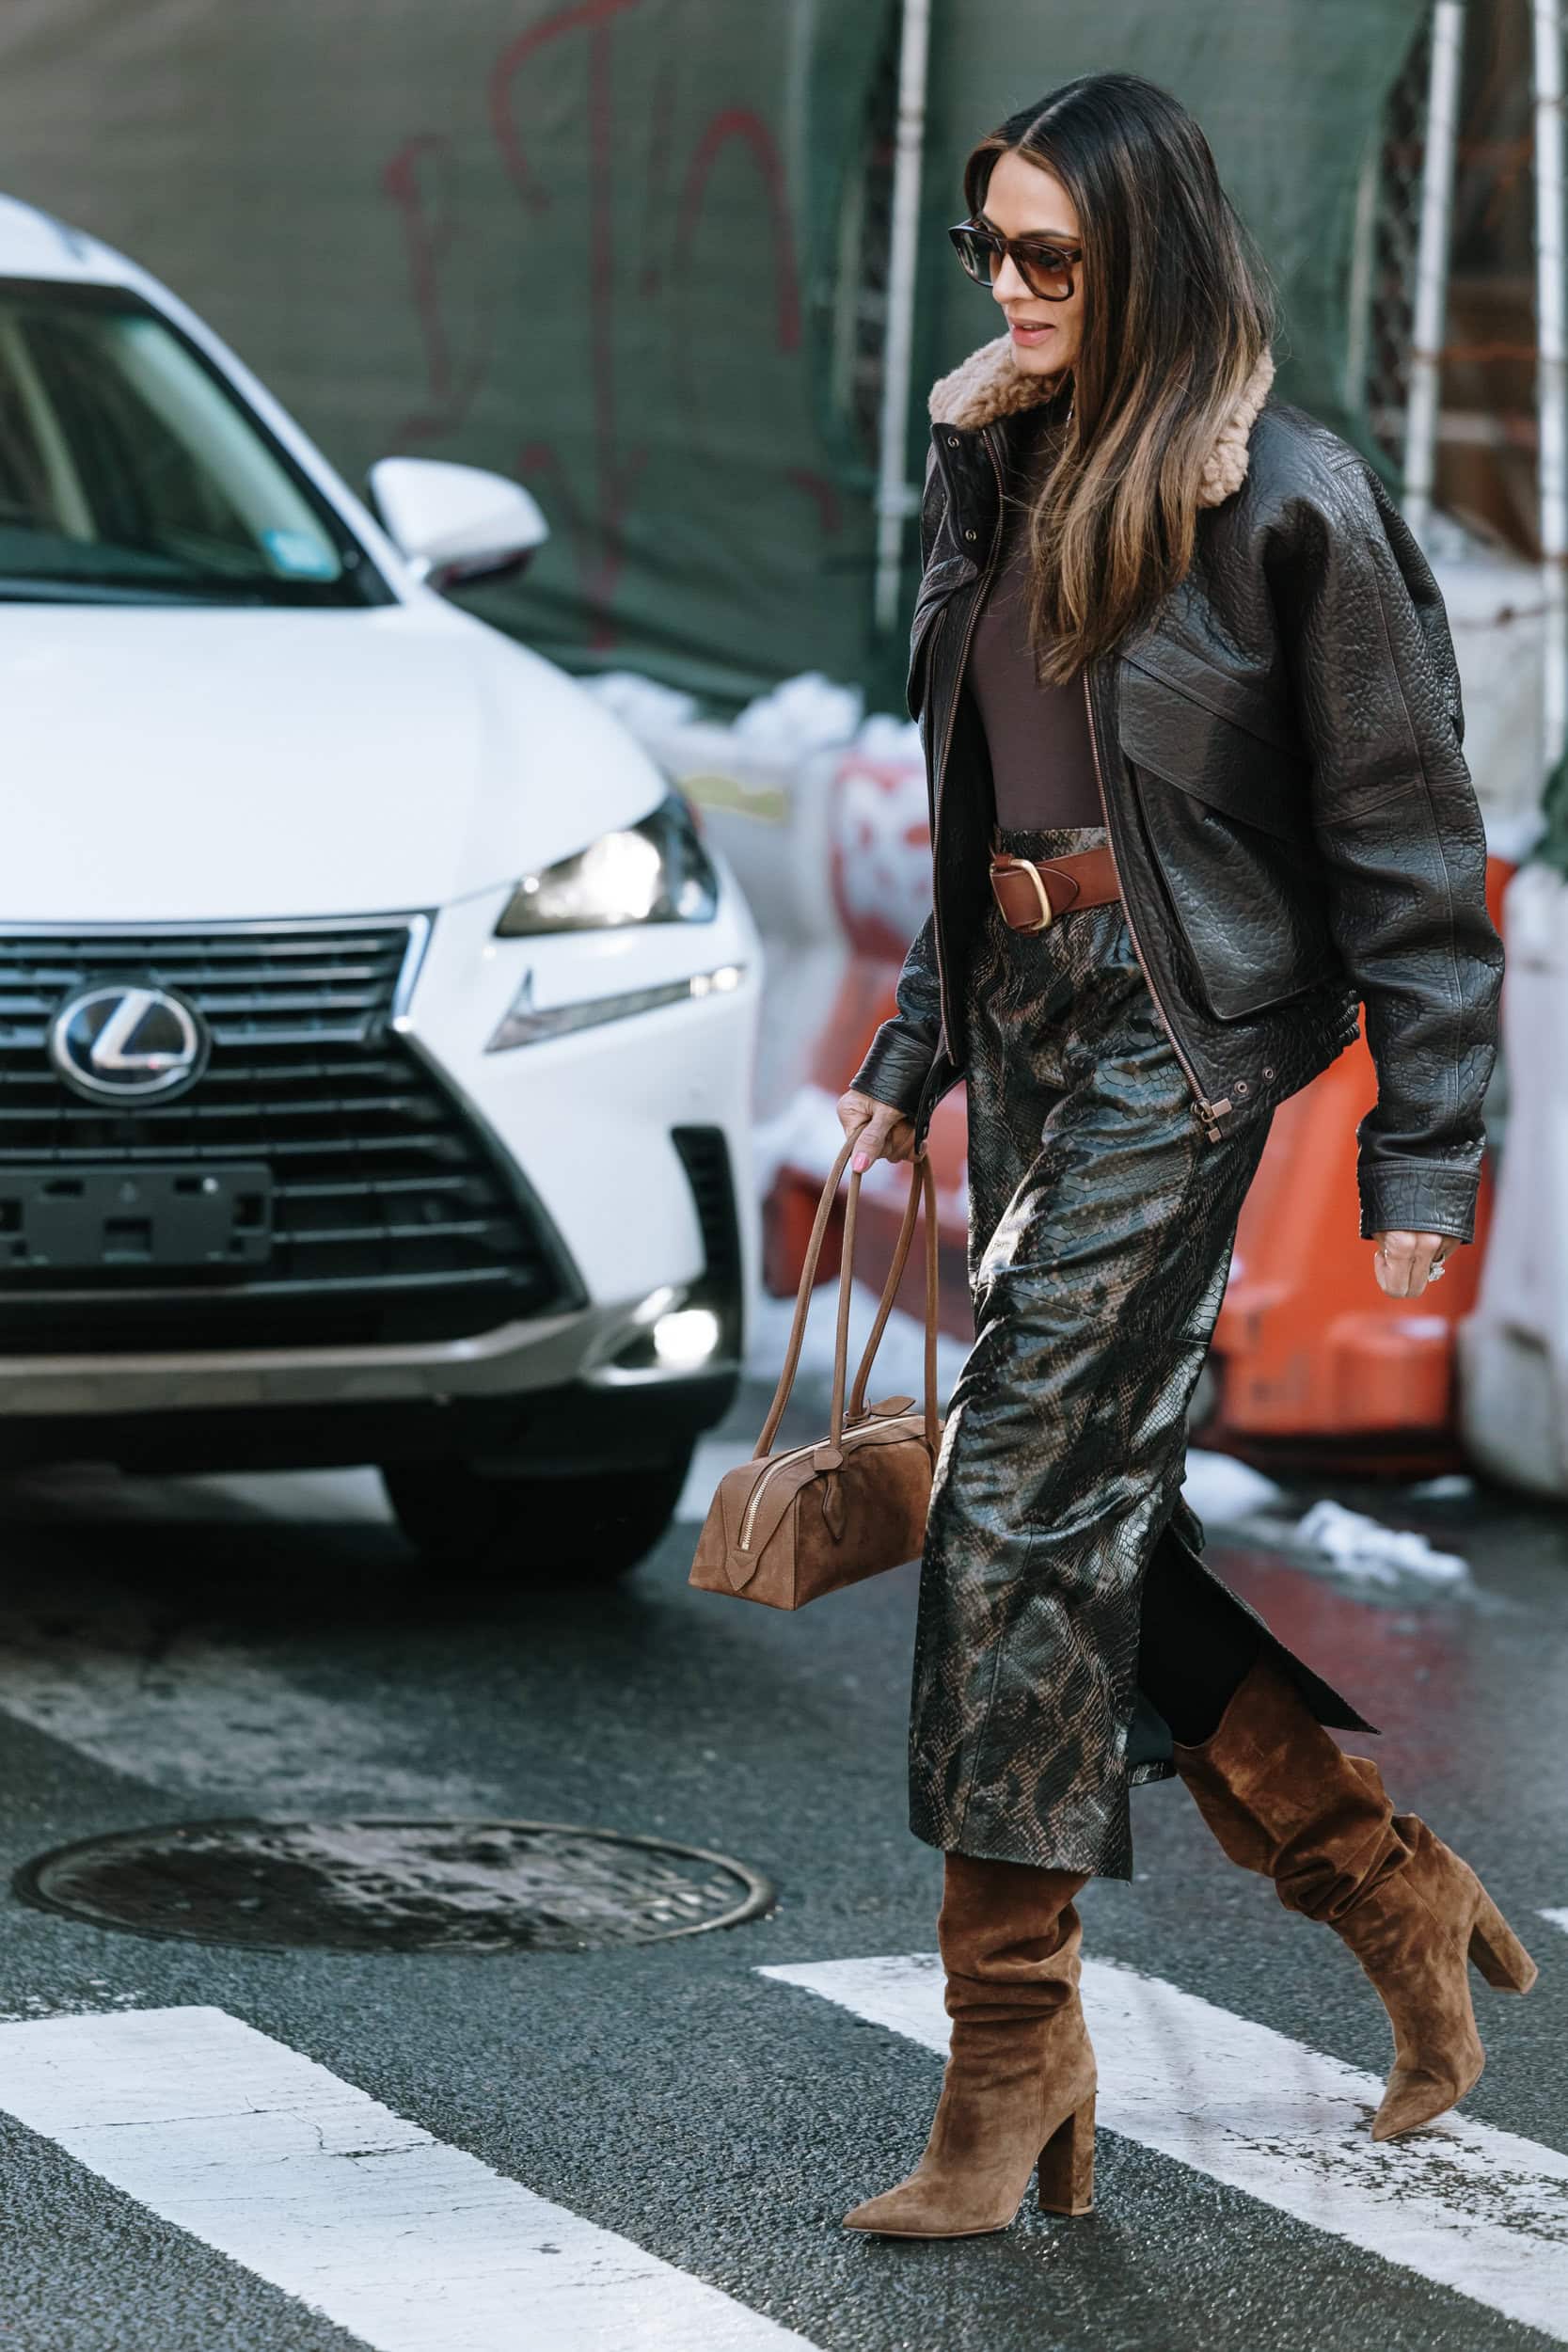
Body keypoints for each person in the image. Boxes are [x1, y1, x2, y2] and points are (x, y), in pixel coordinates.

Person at [833, 71, 1536, 2239]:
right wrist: (916, 1040)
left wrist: (1429, 1159)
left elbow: (1415, 845)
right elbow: (980, 791)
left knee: (1026, 1487)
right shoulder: (992, 451)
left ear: (1151, 253)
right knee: (1063, 1513)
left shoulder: (1283, 496)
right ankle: (1378, 1875)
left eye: (1055, 256)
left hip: (1183, 1032)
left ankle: (1009, 2052)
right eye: (994, 255)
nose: (1017, 294)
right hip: (1025, 1006)